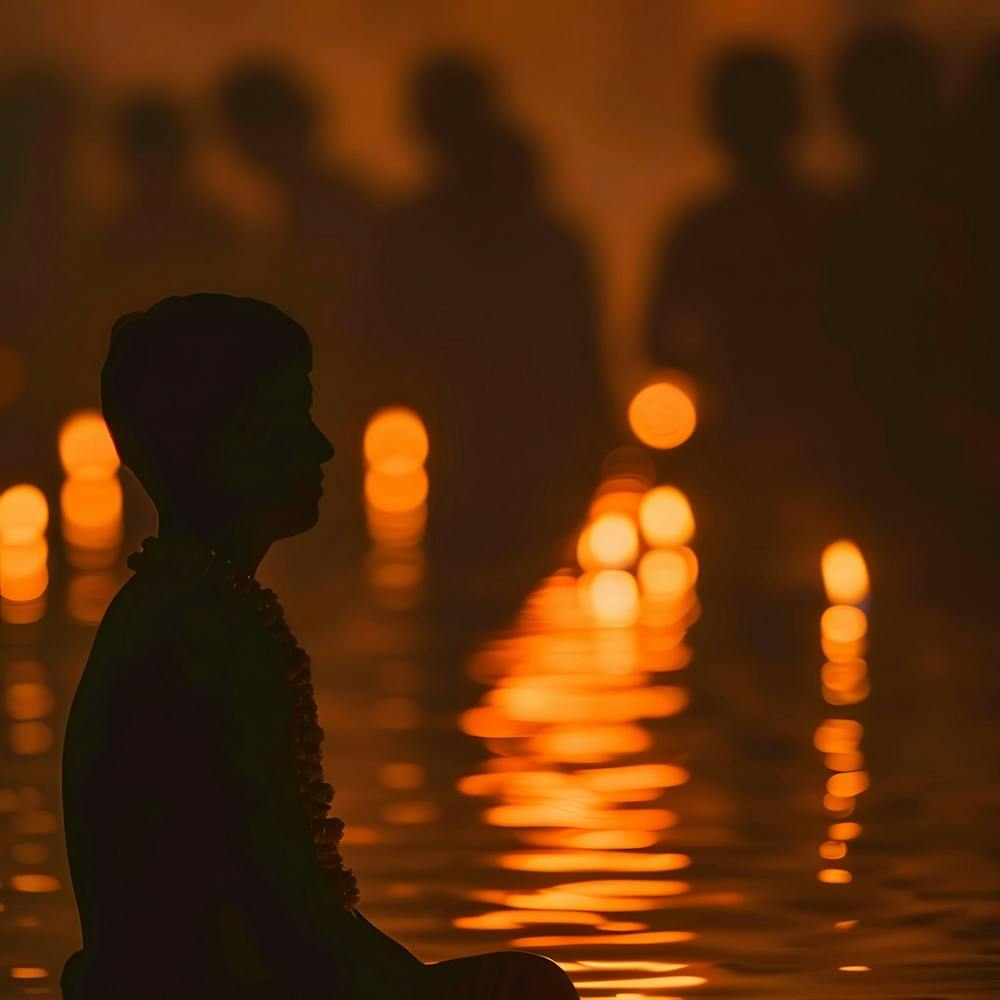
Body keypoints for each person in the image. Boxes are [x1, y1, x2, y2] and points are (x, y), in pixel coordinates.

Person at [60, 294, 578, 999]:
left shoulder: (178, 605)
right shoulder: (213, 632)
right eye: (294, 414)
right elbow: (284, 908)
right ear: (227, 441)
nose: (322, 445)